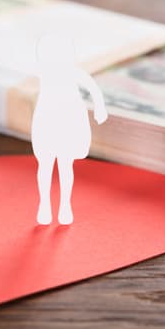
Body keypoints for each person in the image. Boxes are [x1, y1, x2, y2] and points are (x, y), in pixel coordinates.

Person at [30, 33, 108, 225]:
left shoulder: (72, 72)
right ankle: (45, 205)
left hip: (66, 120)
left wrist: (100, 107)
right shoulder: (44, 71)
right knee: (47, 164)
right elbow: (93, 89)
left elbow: (93, 88)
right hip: (47, 121)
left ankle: (65, 205)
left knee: (64, 165)